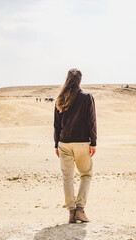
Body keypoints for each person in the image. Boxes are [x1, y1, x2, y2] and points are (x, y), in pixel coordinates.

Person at [54, 68, 97, 223]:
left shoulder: (60, 98)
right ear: (80, 80)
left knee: (67, 178)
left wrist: (55, 145)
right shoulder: (87, 97)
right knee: (86, 175)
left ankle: (71, 212)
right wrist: (93, 142)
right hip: (82, 142)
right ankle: (80, 209)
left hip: (64, 143)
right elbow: (91, 121)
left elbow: (56, 125)